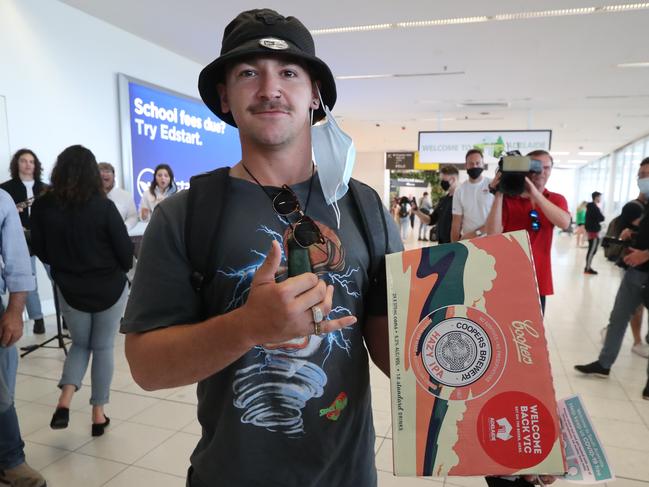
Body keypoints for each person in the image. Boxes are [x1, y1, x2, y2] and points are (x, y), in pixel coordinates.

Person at [119, 8, 410, 486]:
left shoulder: (364, 207)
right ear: (225, 97)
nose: (270, 88)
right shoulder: (185, 216)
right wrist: (248, 327)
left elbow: (397, 349)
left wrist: (490, 425)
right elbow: (147, 367)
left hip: (347, 475)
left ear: (315, 95)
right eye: (249, 73)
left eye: (289, 73)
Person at [30, 145, 133, 437]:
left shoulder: (43, 206)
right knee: (101, 348)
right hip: (109, 289)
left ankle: (64, 401)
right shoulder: (103, 206)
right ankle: (98, 414)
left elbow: (40, 250)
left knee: (80, 344)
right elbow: (125, 254)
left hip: (69, 288)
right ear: (92, 173)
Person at [576, 157, 649, 388]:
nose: (642, 179)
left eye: (646, 174)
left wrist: (645, 255)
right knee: (617, 318)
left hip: (644, 268)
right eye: (640, 175)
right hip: (634, 273)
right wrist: (633, 232)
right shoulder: (645, 206)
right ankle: (604, 364)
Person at [485, 150, 570, 314]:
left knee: (531, 337)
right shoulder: (508, 199)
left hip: (538, 279)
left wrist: (535, 195)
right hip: (506, 277)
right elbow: (492, 235)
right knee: (504, 334)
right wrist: (499, 192)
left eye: (546, 168)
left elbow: (564, 223)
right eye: (536, 167)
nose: (541, 172)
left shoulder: (555, 199)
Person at [0, 189, 46, 487]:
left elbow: (17, 260)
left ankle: (10, 459)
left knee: (0, 390)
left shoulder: (1, 200)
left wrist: (15, 312)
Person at [0, 149, 49, 335]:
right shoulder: (5, 189)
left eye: (31, 161)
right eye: (23, 161)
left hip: (43, 237)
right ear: (17, 164)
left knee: (57, 277)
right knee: (28, 279)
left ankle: (64, 319)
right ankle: (38, 319)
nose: (28, 164)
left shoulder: (46, 189)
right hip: (20, 238)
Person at [451, 149, 495, 241]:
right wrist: (454, 247)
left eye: (478, 163)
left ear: (483, 164)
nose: (475, 166)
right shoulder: (459, 191)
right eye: (471, 163)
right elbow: (456, 223)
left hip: (492, 240)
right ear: (466, 166)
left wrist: (476, 233)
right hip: (468, 243)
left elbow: (500, 219)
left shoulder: (493, 185)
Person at [415, 166, 459, 244]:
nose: (441, 183)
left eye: (443, 180)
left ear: (453, 180)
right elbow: (431, 220)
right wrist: (417, 212)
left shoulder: (462, 199)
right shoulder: (443, 200)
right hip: (442, 245)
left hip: (456, 245)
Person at [98, 162, 138, 230]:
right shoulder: (90, 196)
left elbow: (133, 216)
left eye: (107, 171)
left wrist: (124, 227)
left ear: (114, 176)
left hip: (118, 235)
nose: (104, 174)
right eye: (101, 171)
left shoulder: (126, 195)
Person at [584, 191, 605, 275]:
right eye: (599, 197)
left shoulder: (591, 207)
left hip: (592, 230)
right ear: (596, 197)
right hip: (593, 231)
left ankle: (588, 267)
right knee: (592, 250)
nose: (600, 199)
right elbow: (601, 218)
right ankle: (587, 268)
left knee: (592, 249)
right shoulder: (593, 207)